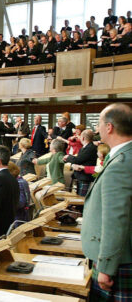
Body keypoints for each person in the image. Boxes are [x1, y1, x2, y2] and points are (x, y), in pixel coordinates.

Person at [82, 103, 132, 302]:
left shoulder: (121, 163)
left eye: (99, 124)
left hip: (117, 262)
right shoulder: (122, 157)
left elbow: (116, 219)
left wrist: (106, 267)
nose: (97, 129)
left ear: (109, 127)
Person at [65, 129, 97, 196]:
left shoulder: (90, 148)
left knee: (81, 199)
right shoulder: (85, 147)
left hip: (85, 177)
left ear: (82, 138)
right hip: (81, 176)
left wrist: (68, 157)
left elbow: (78, 160)